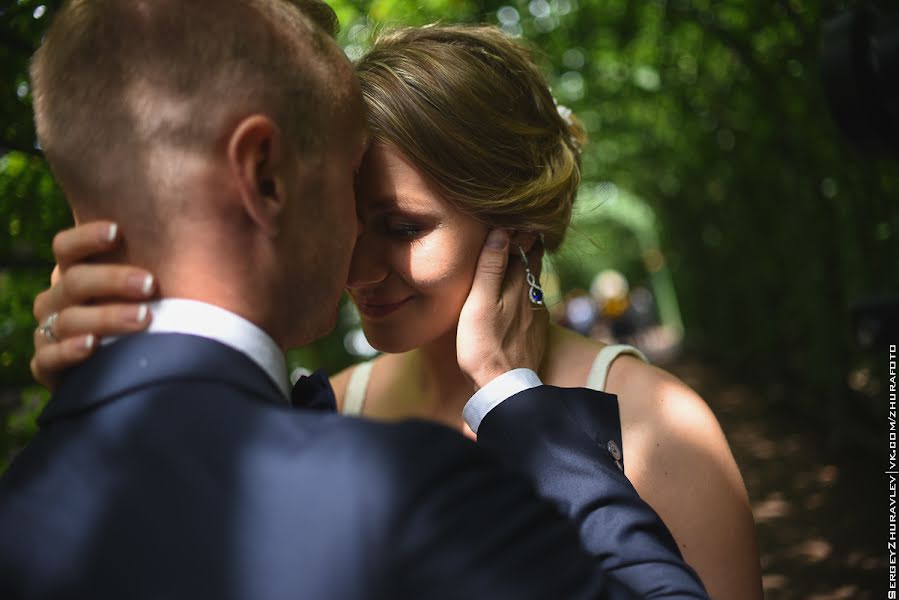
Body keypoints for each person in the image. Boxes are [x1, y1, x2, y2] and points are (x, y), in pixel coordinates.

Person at [0, 1, 710, 599]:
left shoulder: (658, 423)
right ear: (263, 179)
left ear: (514, 226)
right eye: (347, 200)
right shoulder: (364, 454)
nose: (356, 260)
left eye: (400, 227)